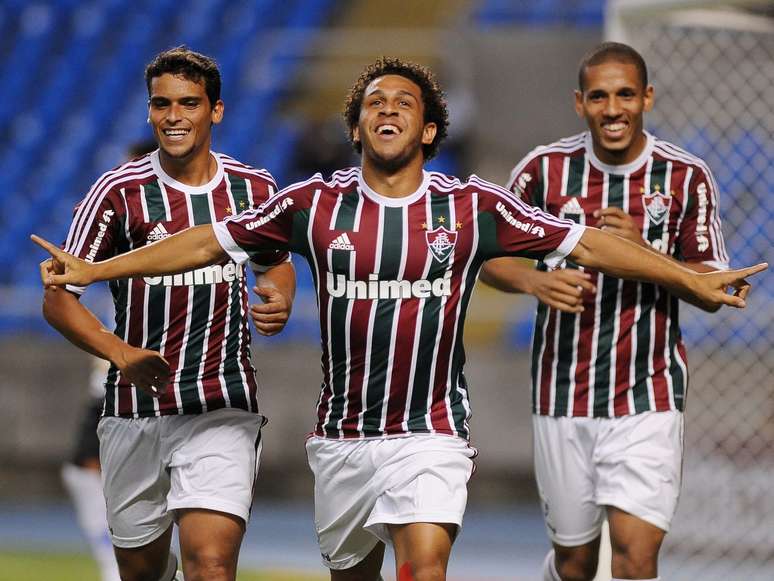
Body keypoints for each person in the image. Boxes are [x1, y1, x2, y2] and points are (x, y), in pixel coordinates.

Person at [32, 57, 764, 581]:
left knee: (423, 561)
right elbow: (204, 239)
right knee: (350, 571)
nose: (387, 109)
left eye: (403, 103)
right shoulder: (310, 203)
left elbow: (590, 242)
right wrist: (99, 270)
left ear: (428, 131)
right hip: (343, 440)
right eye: (373, 102)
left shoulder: (474, 205)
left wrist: (689, 277)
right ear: (355, 128)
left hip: (432, 433)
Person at [480, 42, 736, 581]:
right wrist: (533, 281)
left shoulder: (685, 177)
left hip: (650, 396)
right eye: (599, 96)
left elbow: (714, 289)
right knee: (575, 564)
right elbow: (486, 260)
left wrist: (644, 252)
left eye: (625, 94)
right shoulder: (543, 172)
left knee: (635, 557)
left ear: (647, 97)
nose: (613, 108)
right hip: (561, 393)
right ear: (580, 103)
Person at [39, 47, 295, 581]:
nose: (173, 116)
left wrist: (278, 295)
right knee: (141, 571)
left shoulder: (253, 190)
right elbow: (59, 296)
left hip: (221, 405)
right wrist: (119, 353)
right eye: (161, 104)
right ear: (150, 111)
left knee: (211, 563)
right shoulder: (117, 191)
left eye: (188, 104)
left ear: (215, 111)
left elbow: (276, 263)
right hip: (134, 411)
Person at [60, 140, 156, 581]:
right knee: (91, 470)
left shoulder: (154, 220)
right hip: (117, 371)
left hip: (138, 376)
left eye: (127, 169)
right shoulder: (120, 215)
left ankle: (118, 563)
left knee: (97, 471)